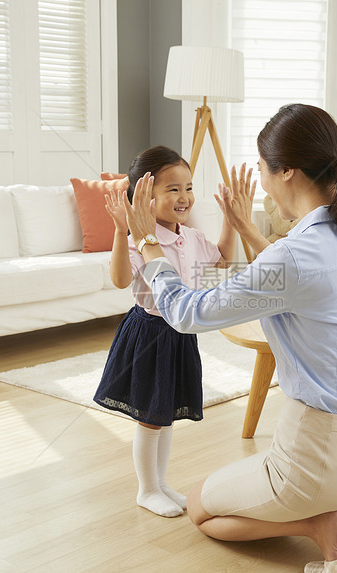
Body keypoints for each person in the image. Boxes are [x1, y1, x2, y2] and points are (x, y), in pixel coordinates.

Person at [122, 105, 337, 573]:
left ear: (287, 171)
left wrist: (149, 245)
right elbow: (288, 279)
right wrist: (244, 229)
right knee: (308, 487)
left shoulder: (296, 255)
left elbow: (185, 313)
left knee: (199, 506)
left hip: (318, 457)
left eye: (261, 166)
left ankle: (319, 525)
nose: (261, 177)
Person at [93, 145, 238, 518]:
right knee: (149, 418)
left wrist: (231, 221)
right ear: (146, 196)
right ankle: (146, 489)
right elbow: (121, 278)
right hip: (150, 334)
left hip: (180, 332)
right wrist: (121, 230)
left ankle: (160, 483)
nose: (184, 197)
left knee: (165, 413)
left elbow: (221, 260)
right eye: (172, 189)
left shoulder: (188, 237)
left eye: (188, 187)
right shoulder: (141, 239)